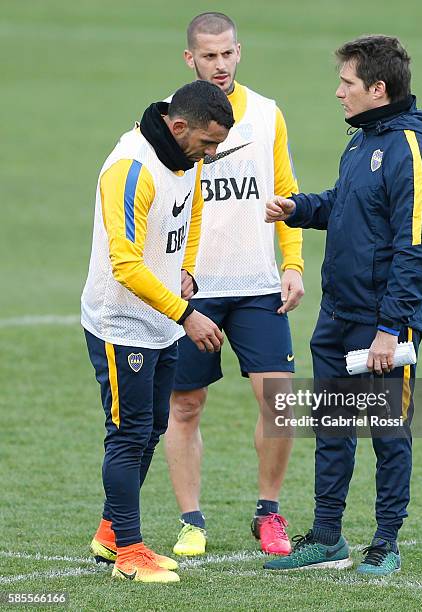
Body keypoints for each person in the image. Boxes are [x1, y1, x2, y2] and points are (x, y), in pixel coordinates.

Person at [264, 35, 422, 574]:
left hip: (381, 327)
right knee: (333, 428)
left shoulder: (412, 154)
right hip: (337, 317)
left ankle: (386, 542)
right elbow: (345, 206)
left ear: (378, 88)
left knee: (389, 433)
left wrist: (392, 329)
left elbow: (415, 252)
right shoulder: (362, 141)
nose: (338, 92)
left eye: (346, 83)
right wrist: (297, 208)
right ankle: (327, 536)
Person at [81, 80, 234, 583]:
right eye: (208, 143)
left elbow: (190, 216)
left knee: (152, 429)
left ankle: (110, 533)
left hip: (162, 318)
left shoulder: (185, 160)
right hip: (120, 320)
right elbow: (125, 263)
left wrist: (185, 272)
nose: (212, 155)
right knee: (127, 436)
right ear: (179, 126)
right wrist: (186, 314)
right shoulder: (131, 167)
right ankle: (129, 552)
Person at [163, 12, 304, 557]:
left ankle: (269, 512)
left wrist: (291, 264)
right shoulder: (169, 121)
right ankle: (190, 521)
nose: (219, 65)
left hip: (258, 284)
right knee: (186, 406)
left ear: (238, 52)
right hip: (192, 289)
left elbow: (286, 193)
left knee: (279, 402)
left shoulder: (267, 115)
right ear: (189, 59)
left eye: (228, 54)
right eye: (208, 56)